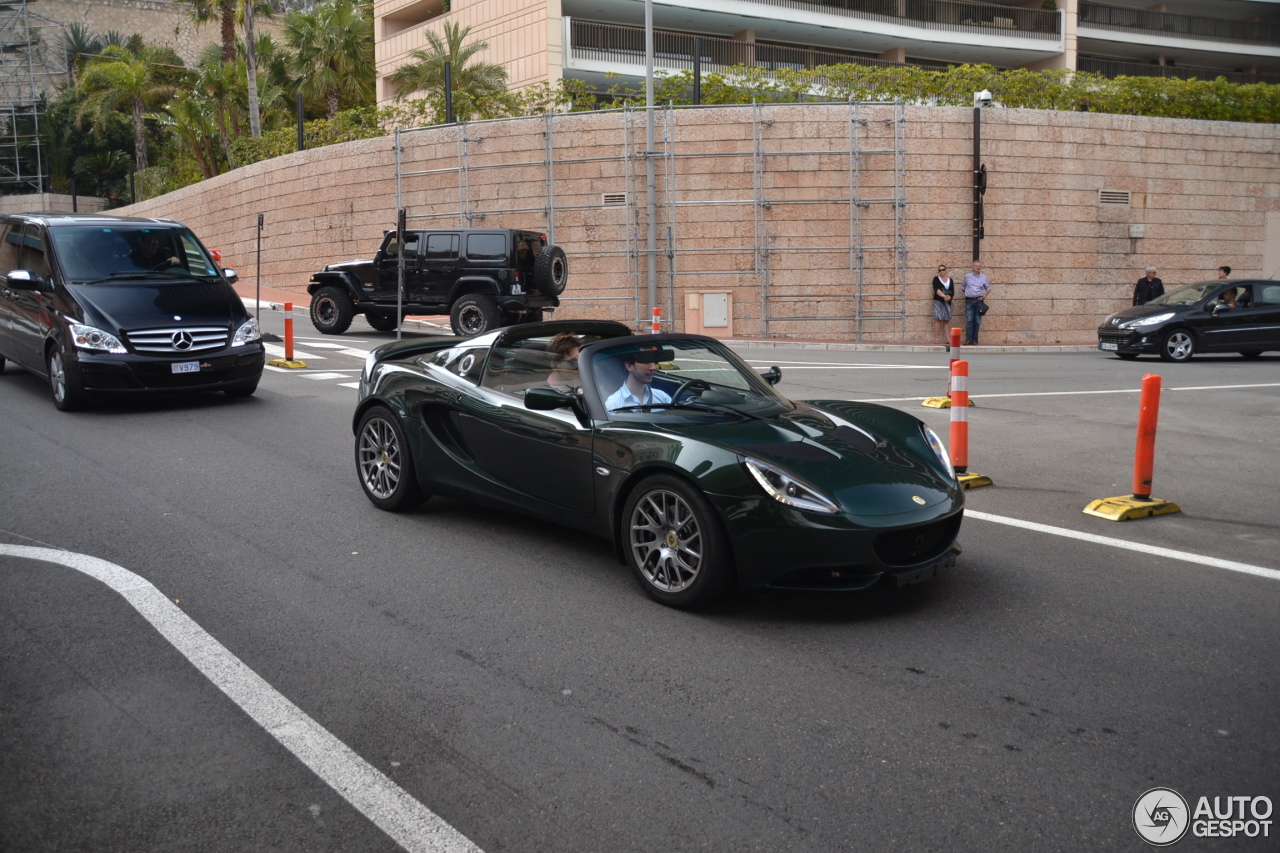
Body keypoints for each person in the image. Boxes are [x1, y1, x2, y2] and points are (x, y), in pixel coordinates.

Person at [605, 348, 672, 411]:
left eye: (653, 362)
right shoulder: (613, 404)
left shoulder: (663, 398)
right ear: (629, 366)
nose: (653, 367)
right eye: (646, 362)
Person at [962, 260, 990, 345]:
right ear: (973, 267)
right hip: (969, 301)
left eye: (979, 266)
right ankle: (968, 339)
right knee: (970, 320)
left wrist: (984, 296)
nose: (978, 267)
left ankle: (975, 339)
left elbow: (988, 288)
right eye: (976, 266)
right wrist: (969, 295)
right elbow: (963, 287)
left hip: (979, 301)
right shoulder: (967, 276)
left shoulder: (983, 277)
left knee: (977, 320)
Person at [931, 264, 954, 346]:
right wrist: (944, 296)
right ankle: (936, 338)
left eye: (943, 269)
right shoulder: (936, 279)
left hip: (947, 301)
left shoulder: (950, 280)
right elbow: (936, 289)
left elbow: (952, 291)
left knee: (946, 320)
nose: (941, 271)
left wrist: (949, 297)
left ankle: (948, 339)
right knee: (938, 319)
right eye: (940, 270)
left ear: (946, 270)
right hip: (938, 300)